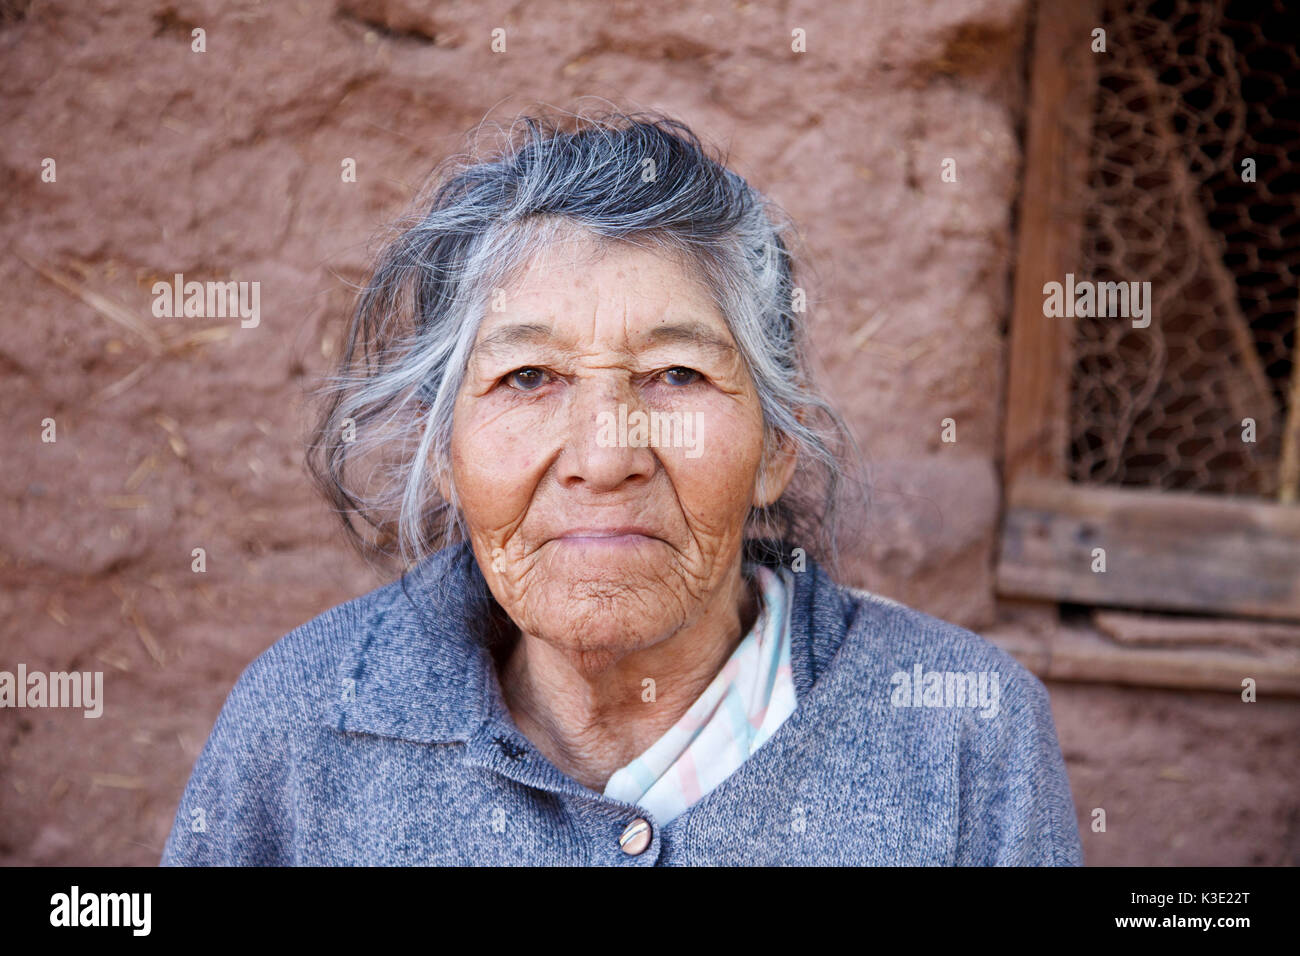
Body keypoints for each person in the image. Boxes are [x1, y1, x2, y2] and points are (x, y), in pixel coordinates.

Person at [161, 111, 1083, 865]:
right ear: (445, 449)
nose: (605, 458)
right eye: (528, 378)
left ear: (776, 446)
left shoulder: (966, 731)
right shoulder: (305, 724)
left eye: (675, 375)